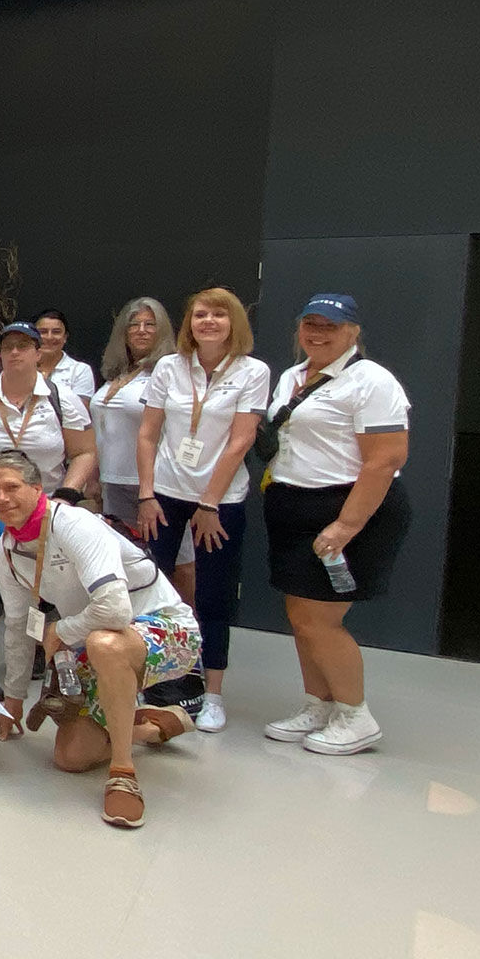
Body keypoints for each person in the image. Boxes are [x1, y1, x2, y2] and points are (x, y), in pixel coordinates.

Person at [0, 449, 199, 830]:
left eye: (12, 487)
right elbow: (17, 627)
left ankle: (123, 774)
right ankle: (148, 725)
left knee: (104, 642)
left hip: (168, 631)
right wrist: (13, 700)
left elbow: (114, 610)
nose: (2, 498)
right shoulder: (7, 553)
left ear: (37, 488)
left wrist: (60, 631)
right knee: (70, 758)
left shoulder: (75, 524)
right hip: (94, 642)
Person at [258, 294, 410, 756]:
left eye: (331, 325)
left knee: (319, 618)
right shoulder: (292, 376)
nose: (318, 332)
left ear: (353, 332)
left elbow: (385, 461)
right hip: (292, 505)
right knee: (300, 616)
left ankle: (355, 715)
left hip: (346, 510)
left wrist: (346, 525)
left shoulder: (372, 381)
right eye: (310, 323)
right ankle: (318, 705)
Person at [136, 288, 270, 733]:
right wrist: (147, 493)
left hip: (220, 500)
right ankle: (151, 681)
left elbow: (242, 439)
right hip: (165, 496)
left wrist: (209, 501)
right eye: (199, 314)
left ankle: (211, 694)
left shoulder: (253, 372)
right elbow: (149, 435)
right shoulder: (169, 368)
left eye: (218, 314)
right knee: (151, 588)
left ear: (234, 323)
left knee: (213, 596)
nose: (208, 321)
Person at [0, 321, 95, 697]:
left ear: (38, 352)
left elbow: (85, 451)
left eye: (24, 346)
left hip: (45, 514)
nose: (15, 353)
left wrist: (69, 495)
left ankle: (53, 663)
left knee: (49, 587)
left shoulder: (62, 399)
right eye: (8, 346)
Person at [90, 298, 193, 592]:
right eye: (134, 325)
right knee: (129, 562)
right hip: (114, 483)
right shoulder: (118, 375)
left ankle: (187, 629)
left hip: (154, 486)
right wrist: (95, 478)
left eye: (150, 324)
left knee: (176, 563)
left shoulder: (173, 371)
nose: (141, 331)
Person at [34, 309, 95, 408]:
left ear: (65, 337)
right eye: (43, 332)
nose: (49, 337)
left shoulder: (80, 370)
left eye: (56, 332)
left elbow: (80, 413)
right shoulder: (21, 367)